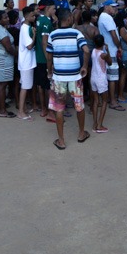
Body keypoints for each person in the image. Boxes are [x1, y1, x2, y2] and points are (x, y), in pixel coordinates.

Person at [46, 10, 90, 150]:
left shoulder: (52, 35)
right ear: (70, 18)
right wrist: (84, 66)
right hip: (75, 77)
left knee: (59, 108)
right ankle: (81, 134)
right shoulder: (76, 33)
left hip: (58, 77)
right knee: (79, 106)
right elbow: (86, 50)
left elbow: (49, 56)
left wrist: (50, 70)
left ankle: (61, 141)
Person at [16, 5, 37, 121]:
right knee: (25, 87)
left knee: (25, 85)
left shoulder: (26, 26)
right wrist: (34, 35)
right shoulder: (25, 29)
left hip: (27, 62)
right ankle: (20, 112)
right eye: (32, 16)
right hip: (26, 63)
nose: (34, 18)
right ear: (26, 16)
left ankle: (23, 108)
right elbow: (29, 46)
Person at [89, 34, 109, 133]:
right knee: (105, 101)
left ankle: (95, 124)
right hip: (101, 79)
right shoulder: (103, 54)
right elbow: (110, 62)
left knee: (96, 101)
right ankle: (100, 125)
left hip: (93, 78)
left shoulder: (93, 51)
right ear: (103, 43)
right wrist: (108, 51)